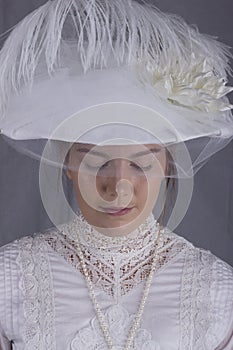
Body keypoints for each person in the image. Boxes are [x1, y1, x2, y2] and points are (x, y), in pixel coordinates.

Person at [0, 0, 233, 349]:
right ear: (67, 164)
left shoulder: (216, 290)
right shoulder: (11, 277)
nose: (118, 188)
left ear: (168, 164)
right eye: (97, 163)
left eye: (141, 164)